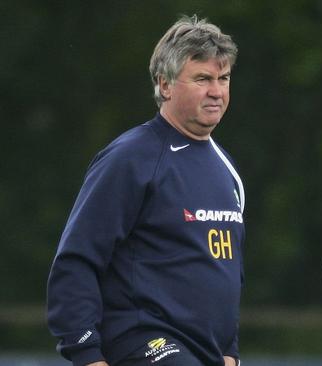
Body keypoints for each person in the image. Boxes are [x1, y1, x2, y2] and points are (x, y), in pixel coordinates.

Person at [47, 15, 244, 366]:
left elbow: (227, 272)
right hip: (144, 341)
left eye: (223, 78)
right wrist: (86, 353)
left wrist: (230, 352)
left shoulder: (227, 169)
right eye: (202, 79)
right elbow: (77, 260)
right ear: (164, 85)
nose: (216, 91)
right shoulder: (131, 158)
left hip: (208, 351)